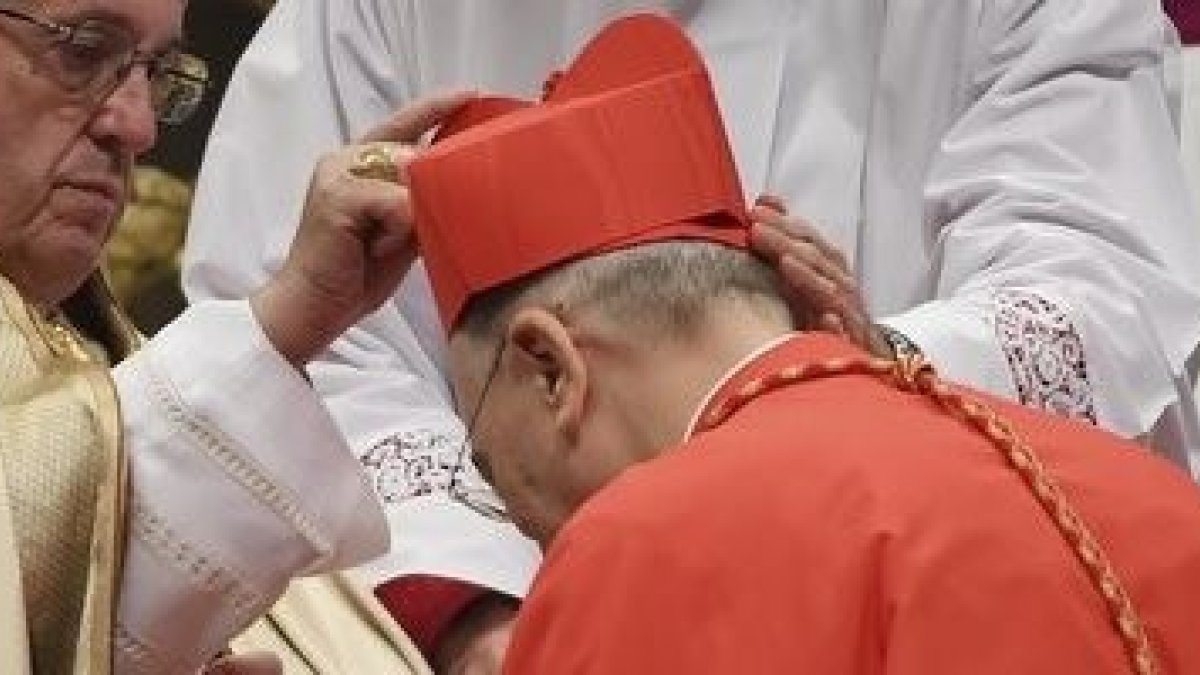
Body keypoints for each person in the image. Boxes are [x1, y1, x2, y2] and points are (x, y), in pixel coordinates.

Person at [185, 0, 1200, 668]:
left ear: (555, 369)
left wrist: (863, 374)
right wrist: (479, 608)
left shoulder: (653, 552)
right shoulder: (1163, 518)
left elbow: (1101, 273)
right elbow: (305, 332)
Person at [0, 0, 445, 670]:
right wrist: (286, 318)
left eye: (156, 74)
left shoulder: (104, 356)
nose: (139, 126)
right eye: (84, 50)